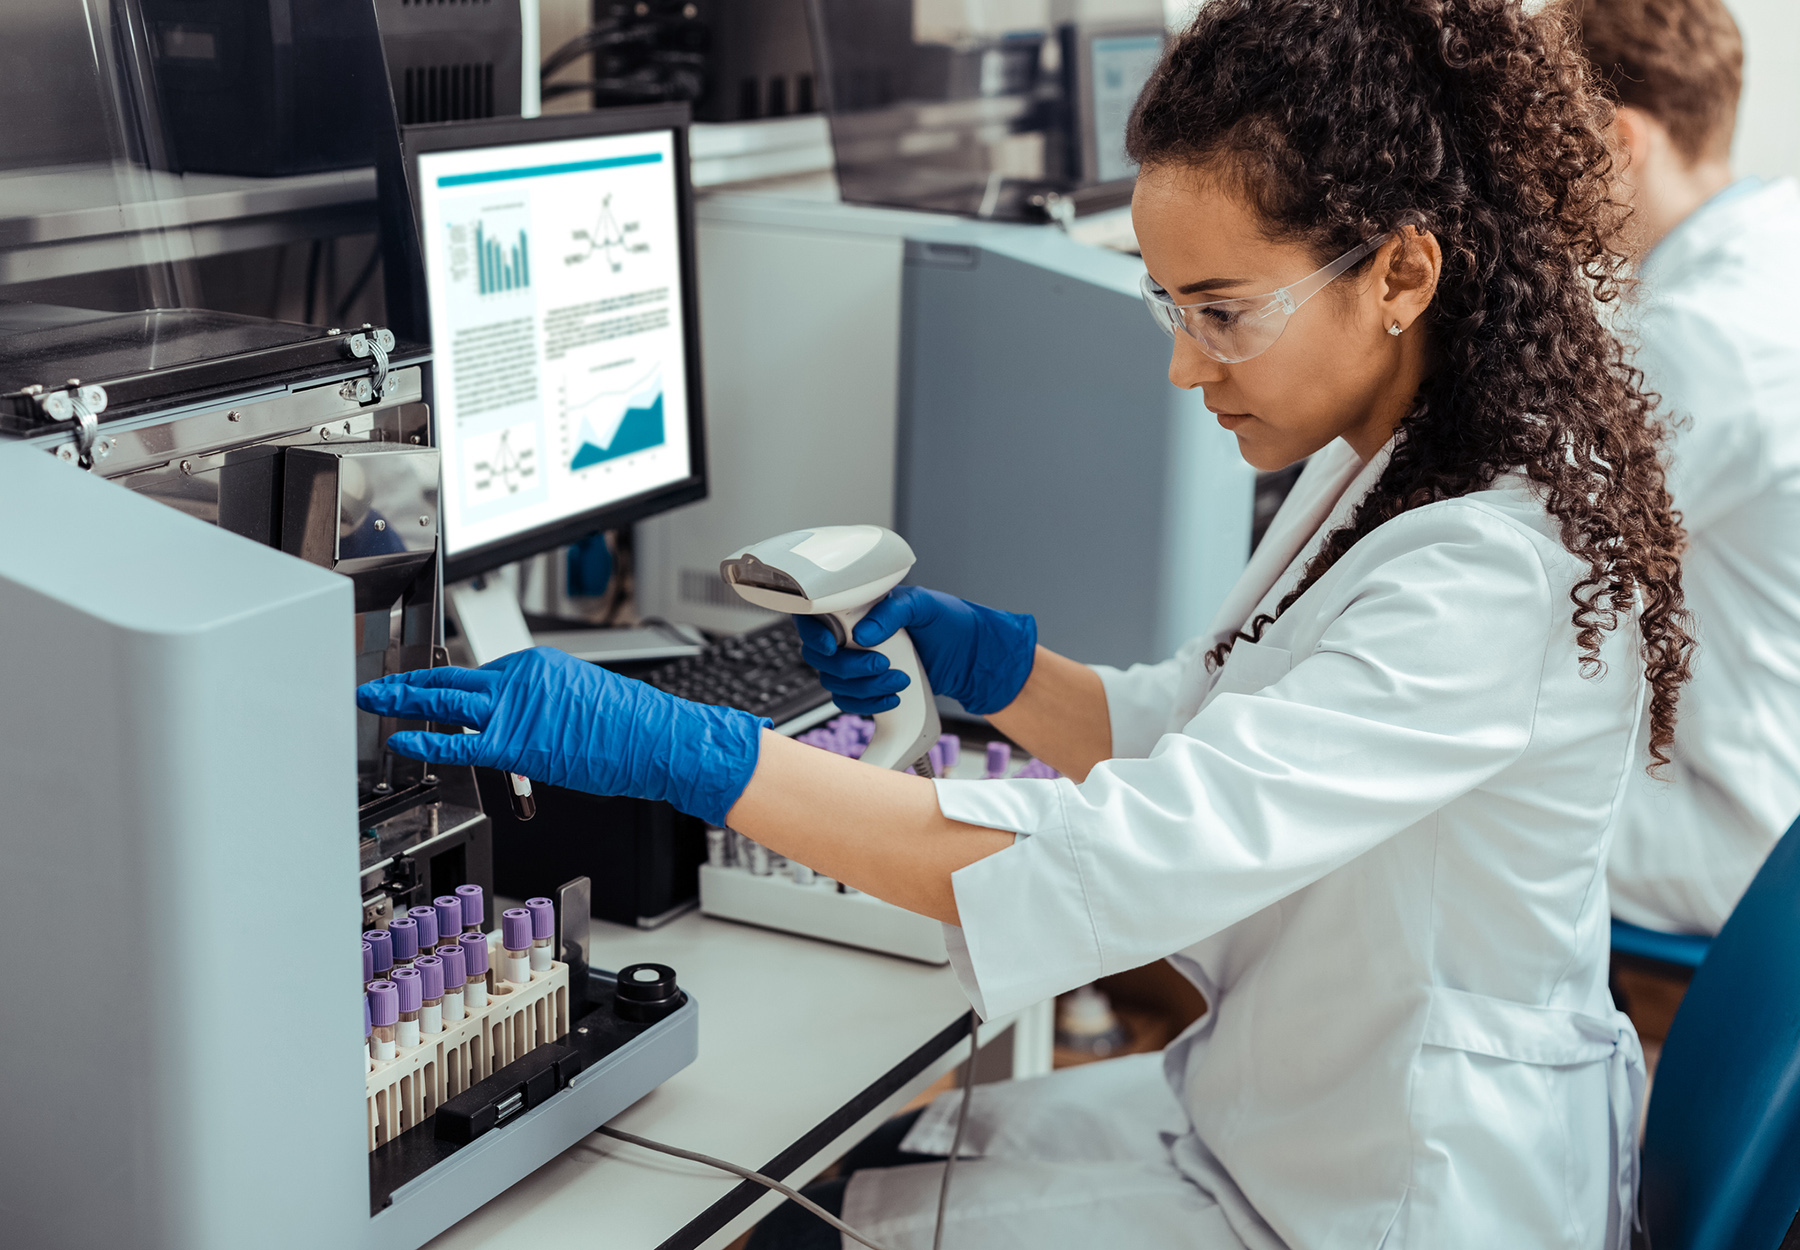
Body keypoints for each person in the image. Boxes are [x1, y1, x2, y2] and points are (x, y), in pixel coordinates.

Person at [360, 1, 1694, 1245]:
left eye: (1222, 312)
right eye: (1171, 307)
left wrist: (691, 753)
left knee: (809, 1210)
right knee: (857, 1179)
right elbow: (1214, 728)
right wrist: (989, 663)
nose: (1184, 365)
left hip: (1404, 1189)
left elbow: (1125, 854)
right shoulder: (1400, 451)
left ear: (1402, 270)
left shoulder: (1491, 571)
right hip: (1288, 1117)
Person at [1576, 0, 1800, 937]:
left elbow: (1541, 552)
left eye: (1546, 146)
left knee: (1428, 796)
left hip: (1744, 832)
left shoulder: (1704, 339)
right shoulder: (1776, 245)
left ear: (1622, 143)